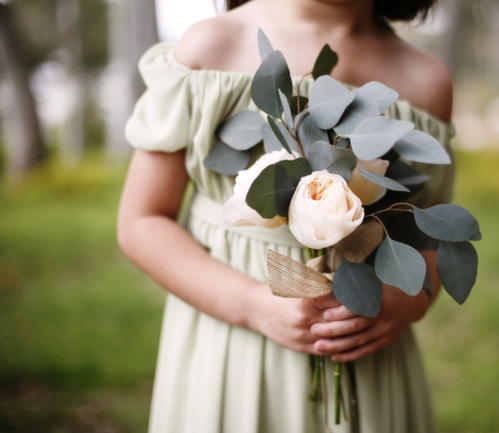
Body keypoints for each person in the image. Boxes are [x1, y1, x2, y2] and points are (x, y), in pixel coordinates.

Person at [117, 0, 455, 432]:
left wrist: (406, 303)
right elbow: (142, 220)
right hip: (233, 342)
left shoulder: (424, 80)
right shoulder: (214, 46)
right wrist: (251, 306)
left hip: (365, 352)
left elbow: (432, 235)